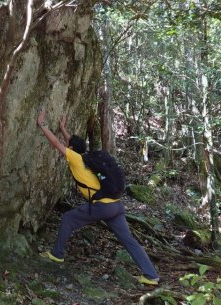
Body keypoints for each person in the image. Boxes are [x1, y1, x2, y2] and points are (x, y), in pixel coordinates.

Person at [36, 109, 160, 285]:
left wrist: (42, 124)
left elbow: (57, 144)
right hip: (115, 206)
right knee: (128, 240)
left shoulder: (76, 160)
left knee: (68, 218)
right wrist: (63, 127)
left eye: (68, 145)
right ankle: (151, 275)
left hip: (101, 206)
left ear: (71, 149)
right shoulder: (86, 158)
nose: (67, 146)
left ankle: (56, 254)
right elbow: (72, 143)